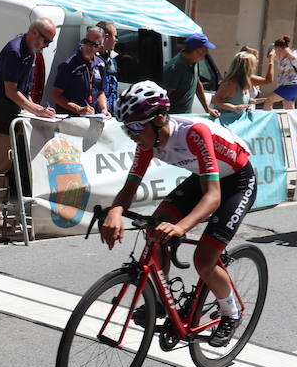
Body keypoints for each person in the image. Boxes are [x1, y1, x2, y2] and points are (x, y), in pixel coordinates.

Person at [98, 81, 256, 345]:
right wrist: (115, 211)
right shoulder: (147, 143)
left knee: (204, 259)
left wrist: (181, 228)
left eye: (137, 126)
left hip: (237, 182)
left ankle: (231, 312)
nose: (133, 134)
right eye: (128, 129)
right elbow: (130, 187)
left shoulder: (194, 133)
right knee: (155, 230)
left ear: (159, 119)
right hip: (204, 179)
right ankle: (160, 302)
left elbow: (213, 196)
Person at [0, 18, 57, 232]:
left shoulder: (30, 52)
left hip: (13, 110)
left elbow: (22, 92)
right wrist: (36, 110)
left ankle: (5, 211)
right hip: (0, 110)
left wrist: (38, 109)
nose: (46, 46)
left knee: (9, 165)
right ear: (35, 33)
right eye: (46, 41)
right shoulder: (15, 51)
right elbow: (10, 91)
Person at [50, 26, 107, 116]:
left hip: (91, 117)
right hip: (70, 119)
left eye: (94, 44)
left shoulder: (101, 65)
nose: (88, 47)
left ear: (101, 48)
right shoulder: (68, 65)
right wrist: (79, 109)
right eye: (86, 42)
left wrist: (104, 109)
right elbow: (56, 96)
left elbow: (100, 92)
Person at [160, 33, 218, 116]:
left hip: (186, 115)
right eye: (206, 49)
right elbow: (164, 97)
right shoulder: (176, 67)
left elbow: (197, 84)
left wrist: (207, 109)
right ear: (198, 50)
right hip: (174, 118)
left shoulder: (194, 62)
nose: (206, 52)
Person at [211, 48, 263, 119]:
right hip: (224, 122)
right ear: (248, 67)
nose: (255, 67)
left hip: (237, 123)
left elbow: (237, 99)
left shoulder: (244, 81)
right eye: (254, 65)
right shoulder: (230, 83)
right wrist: (233, 107)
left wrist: (252, 101)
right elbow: (215, 100)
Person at [256, 36, 297, 110]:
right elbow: (270, 57)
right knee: (288, 106)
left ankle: (267, 121)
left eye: (277, 50)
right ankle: (291, 121)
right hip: (289, 85)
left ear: (280, 49)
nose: (277, 52)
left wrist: (287, 54)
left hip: (289, 85)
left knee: (269, 100)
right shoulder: (282, 57)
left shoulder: (293, 56)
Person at [96, 20, 120, 116]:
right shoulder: (92, 59)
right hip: (97, 113)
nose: (116, 40)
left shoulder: (112, 59)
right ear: (107, 37)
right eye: (115, 36)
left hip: (110, 113)